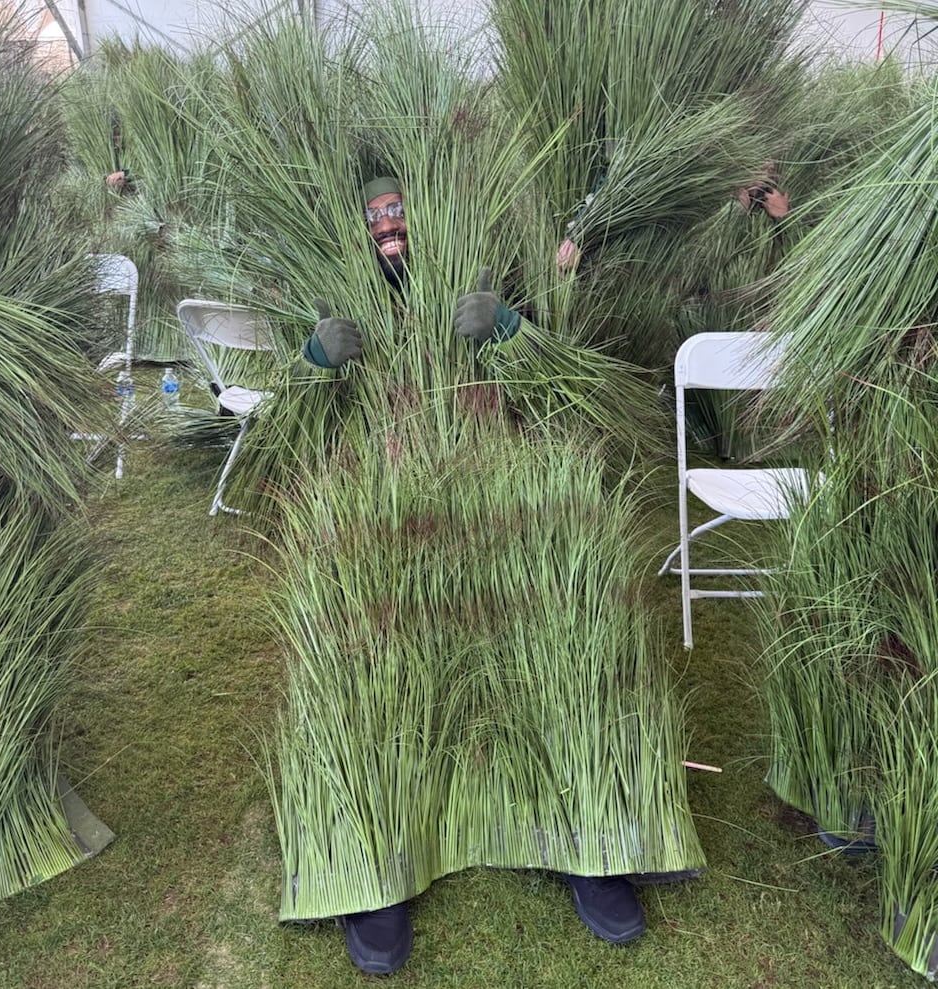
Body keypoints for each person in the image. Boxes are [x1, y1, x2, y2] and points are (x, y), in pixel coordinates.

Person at [297, 176, 673, 975]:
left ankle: (593, 835)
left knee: (577, 601)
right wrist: (315, 358)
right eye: (378, 219)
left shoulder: (495, 268)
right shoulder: (324, 278)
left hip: (495, 471)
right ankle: (378, 858)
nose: (392, 229)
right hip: (384, 485)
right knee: (362, 636)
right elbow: (273, 416)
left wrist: (510, 331)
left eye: (403, 213)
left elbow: (586, 385)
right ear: (356, 229)